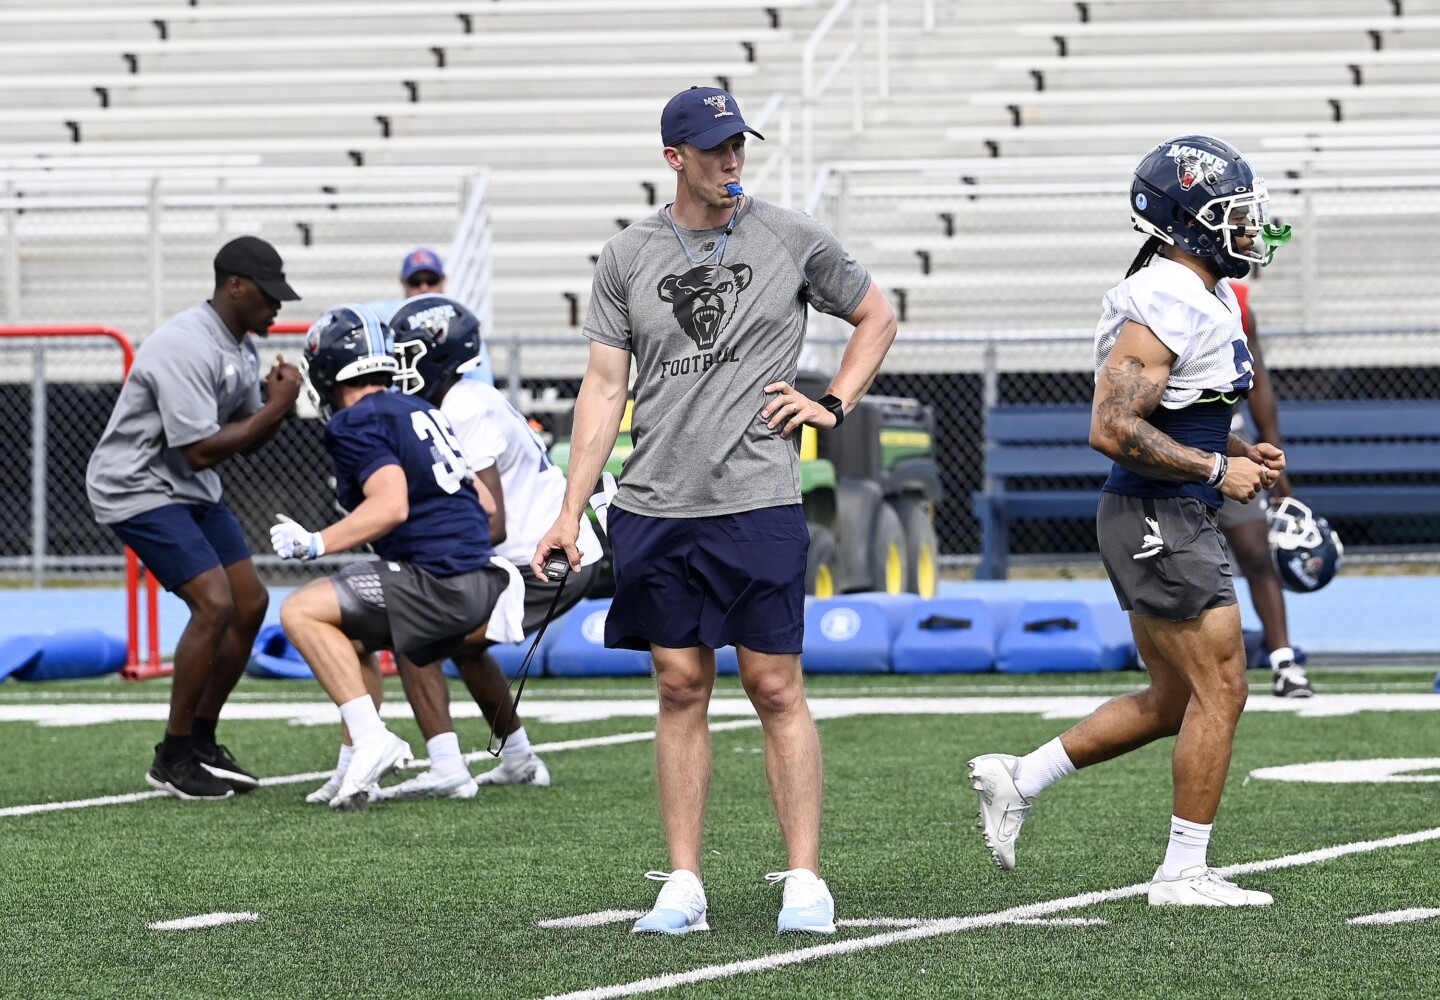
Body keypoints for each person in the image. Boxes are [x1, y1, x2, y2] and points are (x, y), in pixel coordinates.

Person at [532, 85, 897, 936]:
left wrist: (833, 403)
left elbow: (876, 314)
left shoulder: (791, 235)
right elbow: (603, 386)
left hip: (757, 499)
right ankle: (685, 884)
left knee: (774, 685)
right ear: (675, 158)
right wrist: (568, 510)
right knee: (679, 684)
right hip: (655, 503)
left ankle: (805, 880)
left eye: (739, 145)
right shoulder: (626, 256)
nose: (733, 160)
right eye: (715, 148)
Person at [968, 135, 1289, 907]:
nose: (1248, 230)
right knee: (1224, 686)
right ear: (1188, 221)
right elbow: (1111, 425)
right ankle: (1181, 873)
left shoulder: (1198, 293)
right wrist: (1217, 469)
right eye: (1232, 216)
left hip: (1161, 508)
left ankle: (1022, 777)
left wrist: (1235, 446)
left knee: (1176, 699)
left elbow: (1179, 410)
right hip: (1158, 512)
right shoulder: (1170, 296)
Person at [303, 295, 601, 803]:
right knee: (455, 641)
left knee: (421, 633)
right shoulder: (457, 402)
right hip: (535, 553)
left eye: (406, 353)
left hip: (539, 557)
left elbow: (490, 519)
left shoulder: (464, 406)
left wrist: (416, 557)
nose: (397, 365)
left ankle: (447, 766)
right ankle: (518, 758)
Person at [86, 235, 303, 800]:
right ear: (235, 286)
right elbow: (201, 449)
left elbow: (245, 443)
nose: (277, 306)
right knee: (214, 602)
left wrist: (275, 405)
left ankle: (202, 739)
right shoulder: (185, 344)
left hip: (188, 487)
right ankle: (173, 754)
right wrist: (279, 406)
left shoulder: (238, 347)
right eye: (268, 293)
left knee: (251, 602)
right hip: (135, 485)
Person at [271, 304, 509, 811]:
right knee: (352, 635)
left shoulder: (356, 420)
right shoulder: (419, 408)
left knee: (299, 611)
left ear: (326, 370)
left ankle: (372, 737)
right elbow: (483, 503)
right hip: (477, 578)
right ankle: (354, 769)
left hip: (438, 580)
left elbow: (391, 503)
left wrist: (316, 542)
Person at [1220, 280, 1313, 698]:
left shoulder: (1235, 301)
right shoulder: (1156, 296)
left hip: (1228, 440)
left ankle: (1283, 661)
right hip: (1174, 450)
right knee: (1177, 564)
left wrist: (1271, 448)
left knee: (1257, 552)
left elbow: (1255, 378)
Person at [393, 247, 495, 386]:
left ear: (443, 280)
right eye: (415, 282)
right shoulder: (392, 319)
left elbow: (481, 383)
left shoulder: (459, 323)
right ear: (403, 282)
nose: (424, 288)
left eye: (431, 280)